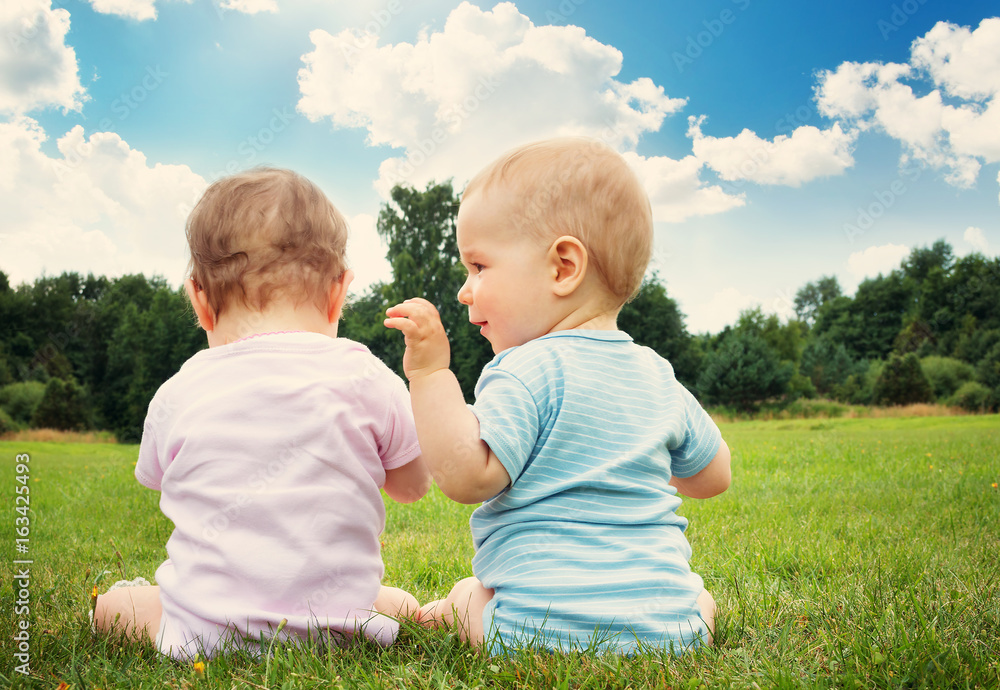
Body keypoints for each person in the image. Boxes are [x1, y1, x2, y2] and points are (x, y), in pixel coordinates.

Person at [384, 137, 731, 655]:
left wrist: (431, 374)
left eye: (478, 267)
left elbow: (466, 476)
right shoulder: (658, 374)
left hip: (532, 634)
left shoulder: (525, 370)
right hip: (673, 635)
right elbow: (713, 477)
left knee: (468, 594)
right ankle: (671, 619)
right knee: (700, 596)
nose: (464, 290)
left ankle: (456, 607)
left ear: (563, 267)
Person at [94, 167, 431, 659]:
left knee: (116, 606)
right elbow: (412, 486)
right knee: (397, 601)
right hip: (337, 633)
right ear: (340, 292)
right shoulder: (369, 375)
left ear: (200, 301)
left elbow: (159, 481)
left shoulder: (180, 389)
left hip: (203, 632)